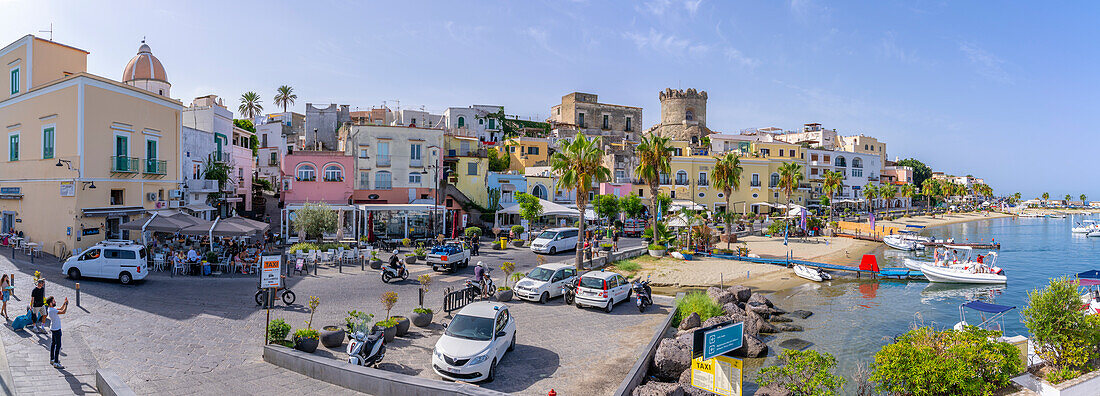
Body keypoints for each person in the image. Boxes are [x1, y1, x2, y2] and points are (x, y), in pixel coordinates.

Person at [45, 296, 68, 369]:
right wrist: (66, 305)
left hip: (53, 328)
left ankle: (52, 359)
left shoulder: (51, 309)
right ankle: (56, 362)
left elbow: (61, 308)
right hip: (57, 329)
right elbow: (63, 311)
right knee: (58, 346)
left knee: (53, 344)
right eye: (53, 301)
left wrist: (64, 303)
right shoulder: (52, 310)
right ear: (50, 303)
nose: (55, 302)